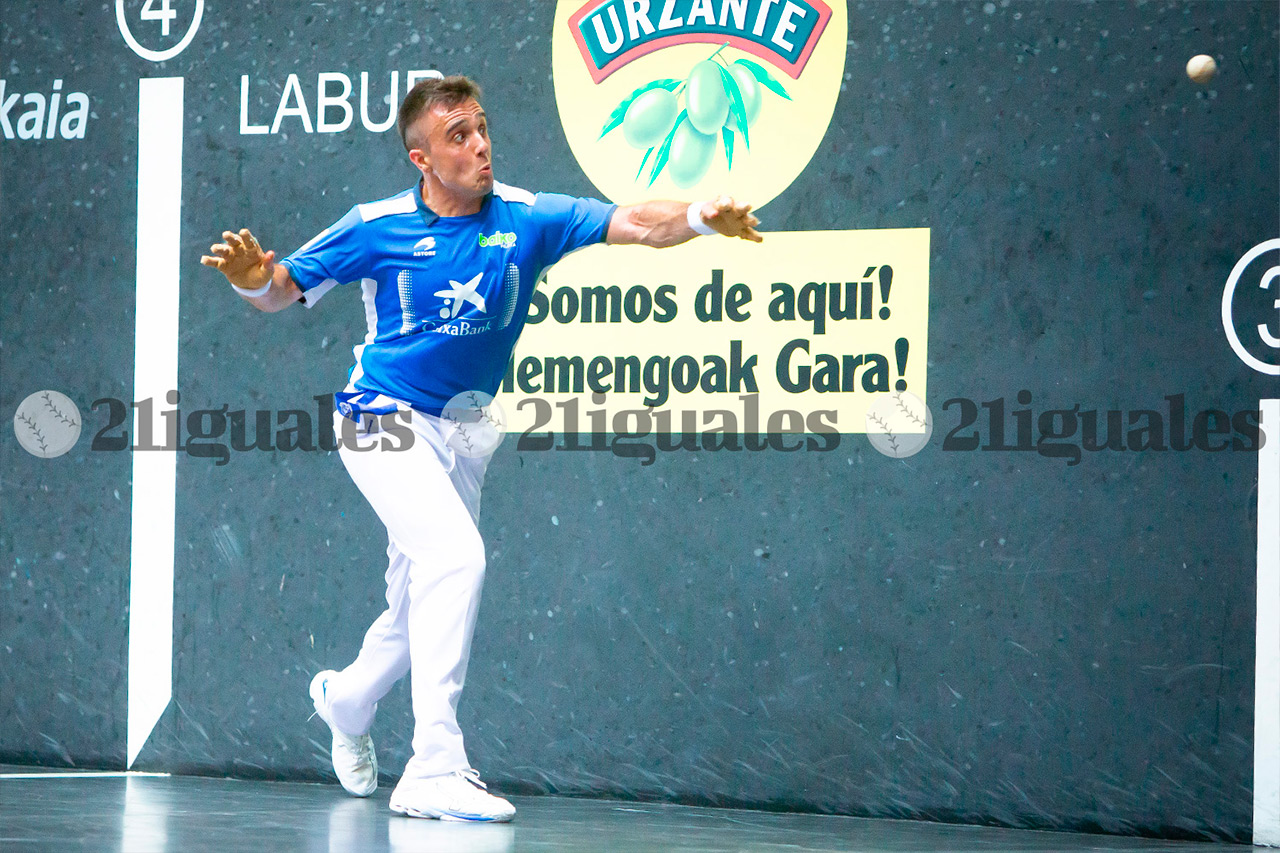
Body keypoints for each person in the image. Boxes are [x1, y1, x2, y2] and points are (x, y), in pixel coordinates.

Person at [200, 75, 762, 823]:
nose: (480, 145)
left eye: (481, 128)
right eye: (458, 135)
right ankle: (434, 765)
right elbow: (280, 288)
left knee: (415, 605)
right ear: (421, 157)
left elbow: (637, 222)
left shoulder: (528, 216)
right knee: (456, 559)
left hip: (466, 432)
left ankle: (345, 700)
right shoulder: (375, 225)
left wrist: (696, 215)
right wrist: (250, 282)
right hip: (381, 417)